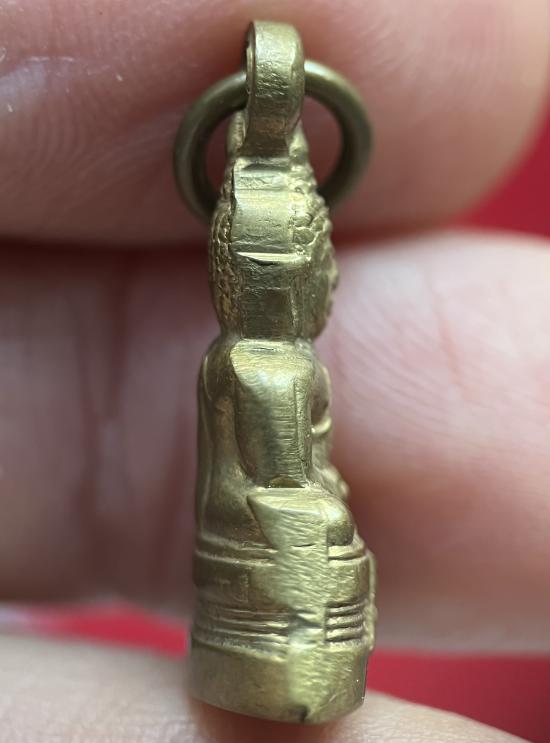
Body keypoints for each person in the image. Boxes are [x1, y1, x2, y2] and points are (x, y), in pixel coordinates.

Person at [0, 1, 549, 741]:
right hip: (261, 524)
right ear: (288, 278)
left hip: (256, 517)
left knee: (331, 514)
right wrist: (323, 509)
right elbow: (280, 485)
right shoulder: (270, 368)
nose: (331, 279)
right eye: (320, 267)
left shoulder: (252, 358)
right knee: (326, 523)